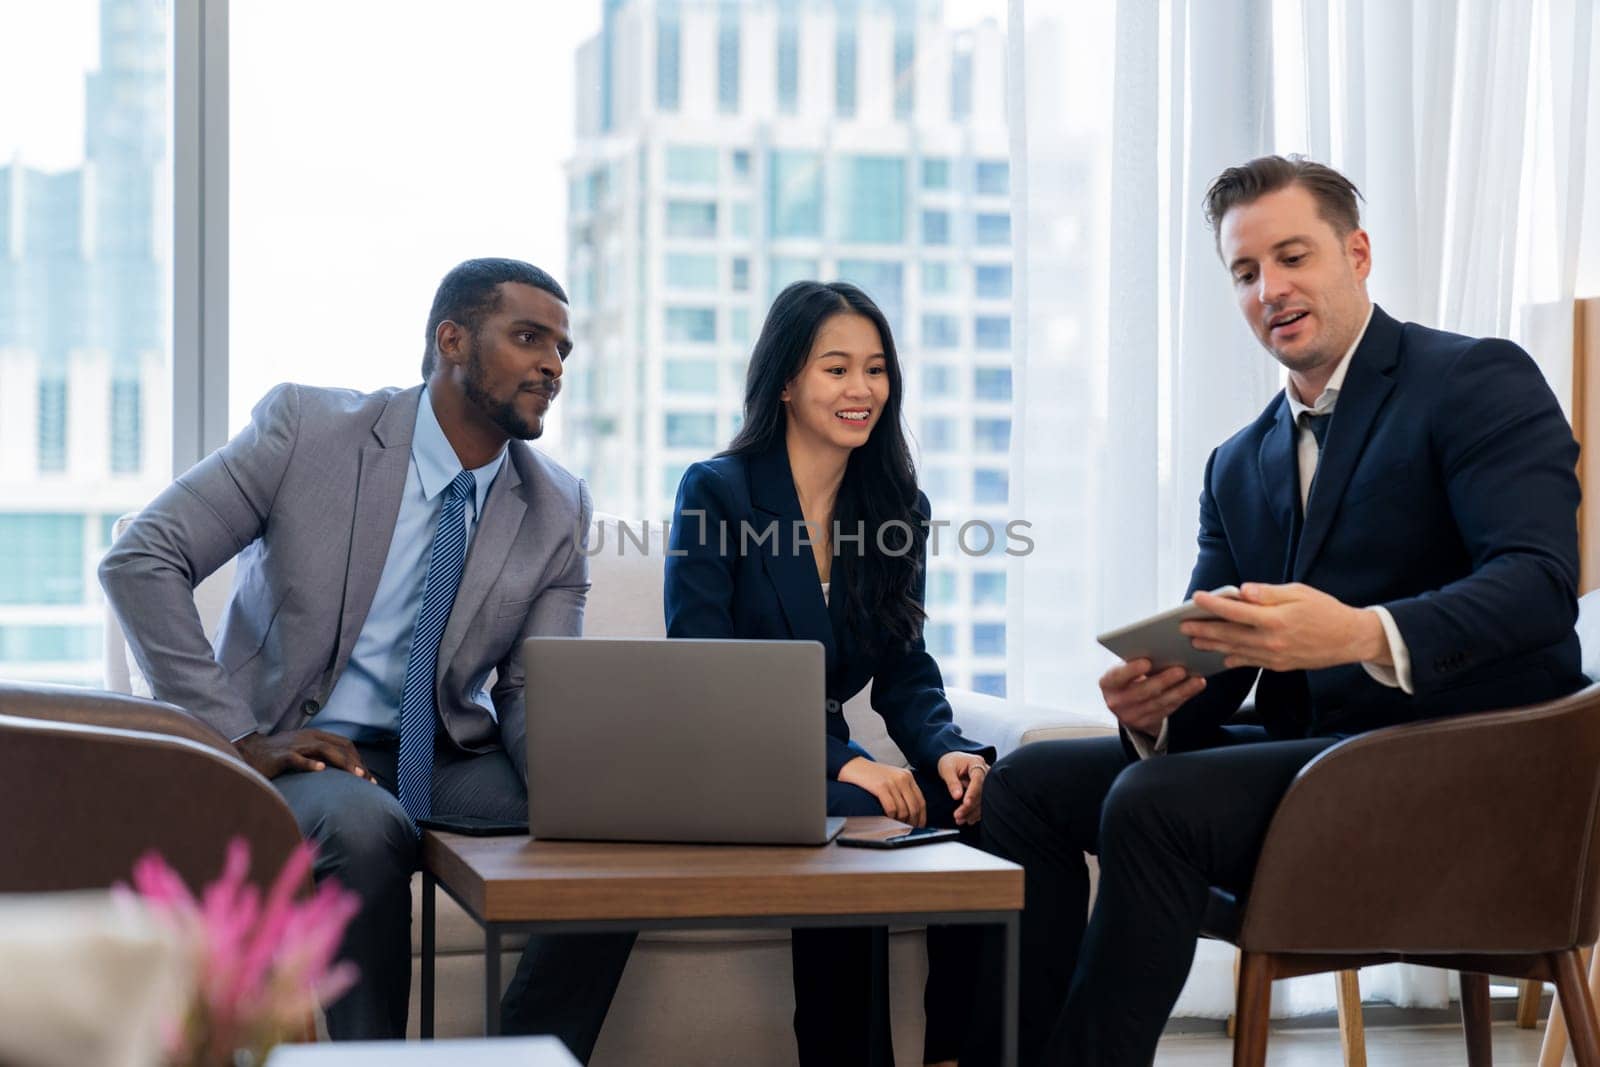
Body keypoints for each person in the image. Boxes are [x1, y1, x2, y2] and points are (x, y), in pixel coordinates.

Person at [965, 155, 1586, 1065]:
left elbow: (1538, 581)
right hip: (1317, 766)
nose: (1271, 289)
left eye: (1293, 257)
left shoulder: (1475, 379)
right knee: (1029, 784)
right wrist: (1159, 702)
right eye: (1246, 272)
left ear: (1358, 252)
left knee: (1155, 802)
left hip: (1467, 773)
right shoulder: (1237, 461)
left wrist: (1363, 631)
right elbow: (1220, 665)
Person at [100, 257, 602, 1041]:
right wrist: (239, 738)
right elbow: (141, 560)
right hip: (298, 751)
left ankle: (527, 1053)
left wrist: (571, 793)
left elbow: (531, 688)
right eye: (530, 337)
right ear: (453, 340)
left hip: (441, 753)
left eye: (563, 351)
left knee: (614, 822)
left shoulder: (556, 504)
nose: (552, 365)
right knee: (365, 826)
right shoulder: (308, 432)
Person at [668, 280, 998, 1066]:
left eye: (876, 369)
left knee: (987, 799)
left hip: (826, 759)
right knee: (861, 809)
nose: (862, 390)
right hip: (731, 755)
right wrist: (842, 757)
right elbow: (704, 670)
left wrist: (947, 748)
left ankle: (957, 1052)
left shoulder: (896, 507)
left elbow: (905, 663)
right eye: (836, 368)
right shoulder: (717, 490)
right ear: (786, 380)